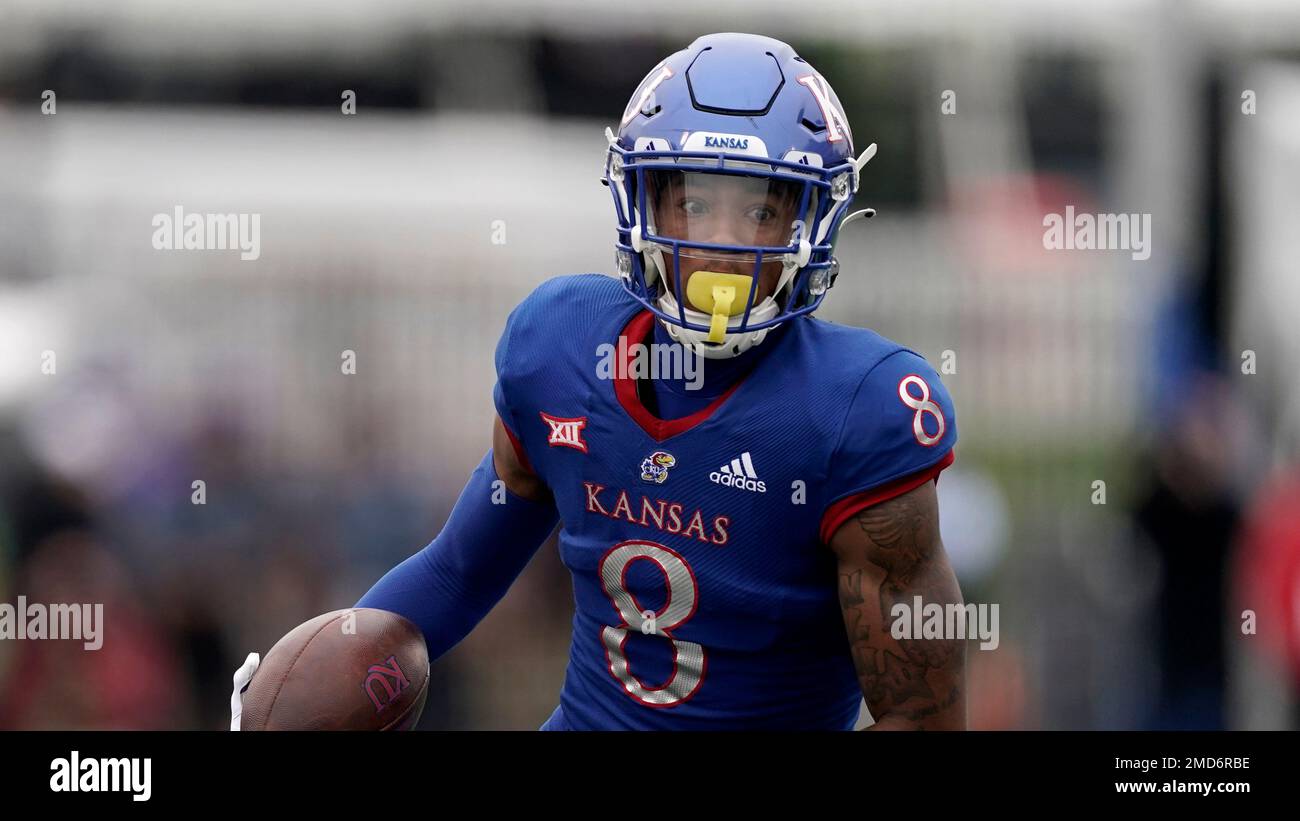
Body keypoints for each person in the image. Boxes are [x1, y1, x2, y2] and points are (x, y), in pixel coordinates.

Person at [235, 31, 965, 731]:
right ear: (641, 201)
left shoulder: (858, 411)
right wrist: (313, 681)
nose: (721, 242)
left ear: (814, 219)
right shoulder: (560, 346)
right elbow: (456, 573)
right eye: (694, 202)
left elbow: (923, 717)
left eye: (761, 209)